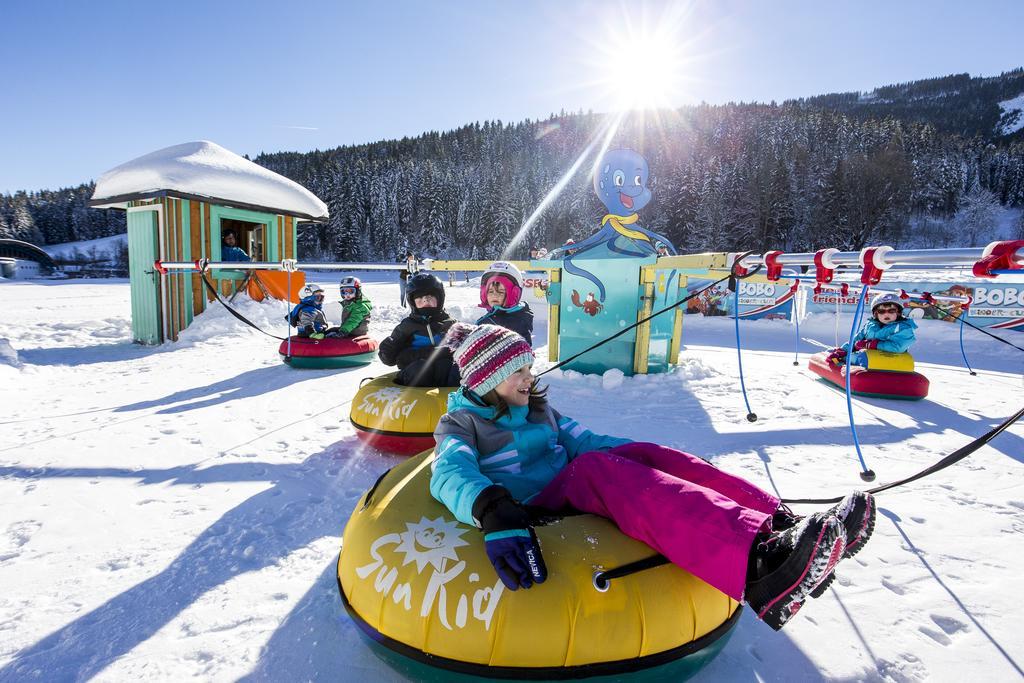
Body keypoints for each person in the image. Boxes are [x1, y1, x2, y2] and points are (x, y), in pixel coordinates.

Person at [430, 323, 876, 631]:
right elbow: (448, 470)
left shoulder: (541, 410)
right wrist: (491, 508)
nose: (530, 378)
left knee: (645, 453)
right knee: (596, 468)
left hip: (571, 480)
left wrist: (643, 459)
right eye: (518, 372)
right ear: (486, 379)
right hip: (531, 504)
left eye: (529, 367)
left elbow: (585, 439)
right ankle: (760, 568)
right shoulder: (463, 424)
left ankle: (779, 525)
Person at [378, 272, 460, 386]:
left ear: (440, 299)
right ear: (412, 302)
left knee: (449, 366)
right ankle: (418, 401)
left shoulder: (450, 324)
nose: (426, 300)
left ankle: (453, 398)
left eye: (430, 297)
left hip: (442, 372)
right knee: (420, 369)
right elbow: (390, 359)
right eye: (420, 298)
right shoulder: (407, 326)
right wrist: (387, 350)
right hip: (415, 371)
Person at [827, 293, 918, 367]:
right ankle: (838, 360)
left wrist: (873, 344)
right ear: (875, 314)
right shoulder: (870, 326)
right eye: (882, 311)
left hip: (891, 360)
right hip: (870, 359)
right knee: (849, 356)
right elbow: (856, 340)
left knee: (855, 358)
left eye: (891, 311)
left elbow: (898, 347)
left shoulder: (903, 327)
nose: (886, 314)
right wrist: (844, 350)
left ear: (898, 313)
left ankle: (844, 361)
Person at [475, 261, 533, 345]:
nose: (495, 295)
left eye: (501, 292)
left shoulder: (517, 321)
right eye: (490, 291)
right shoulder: (492, 317)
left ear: (514, 294)